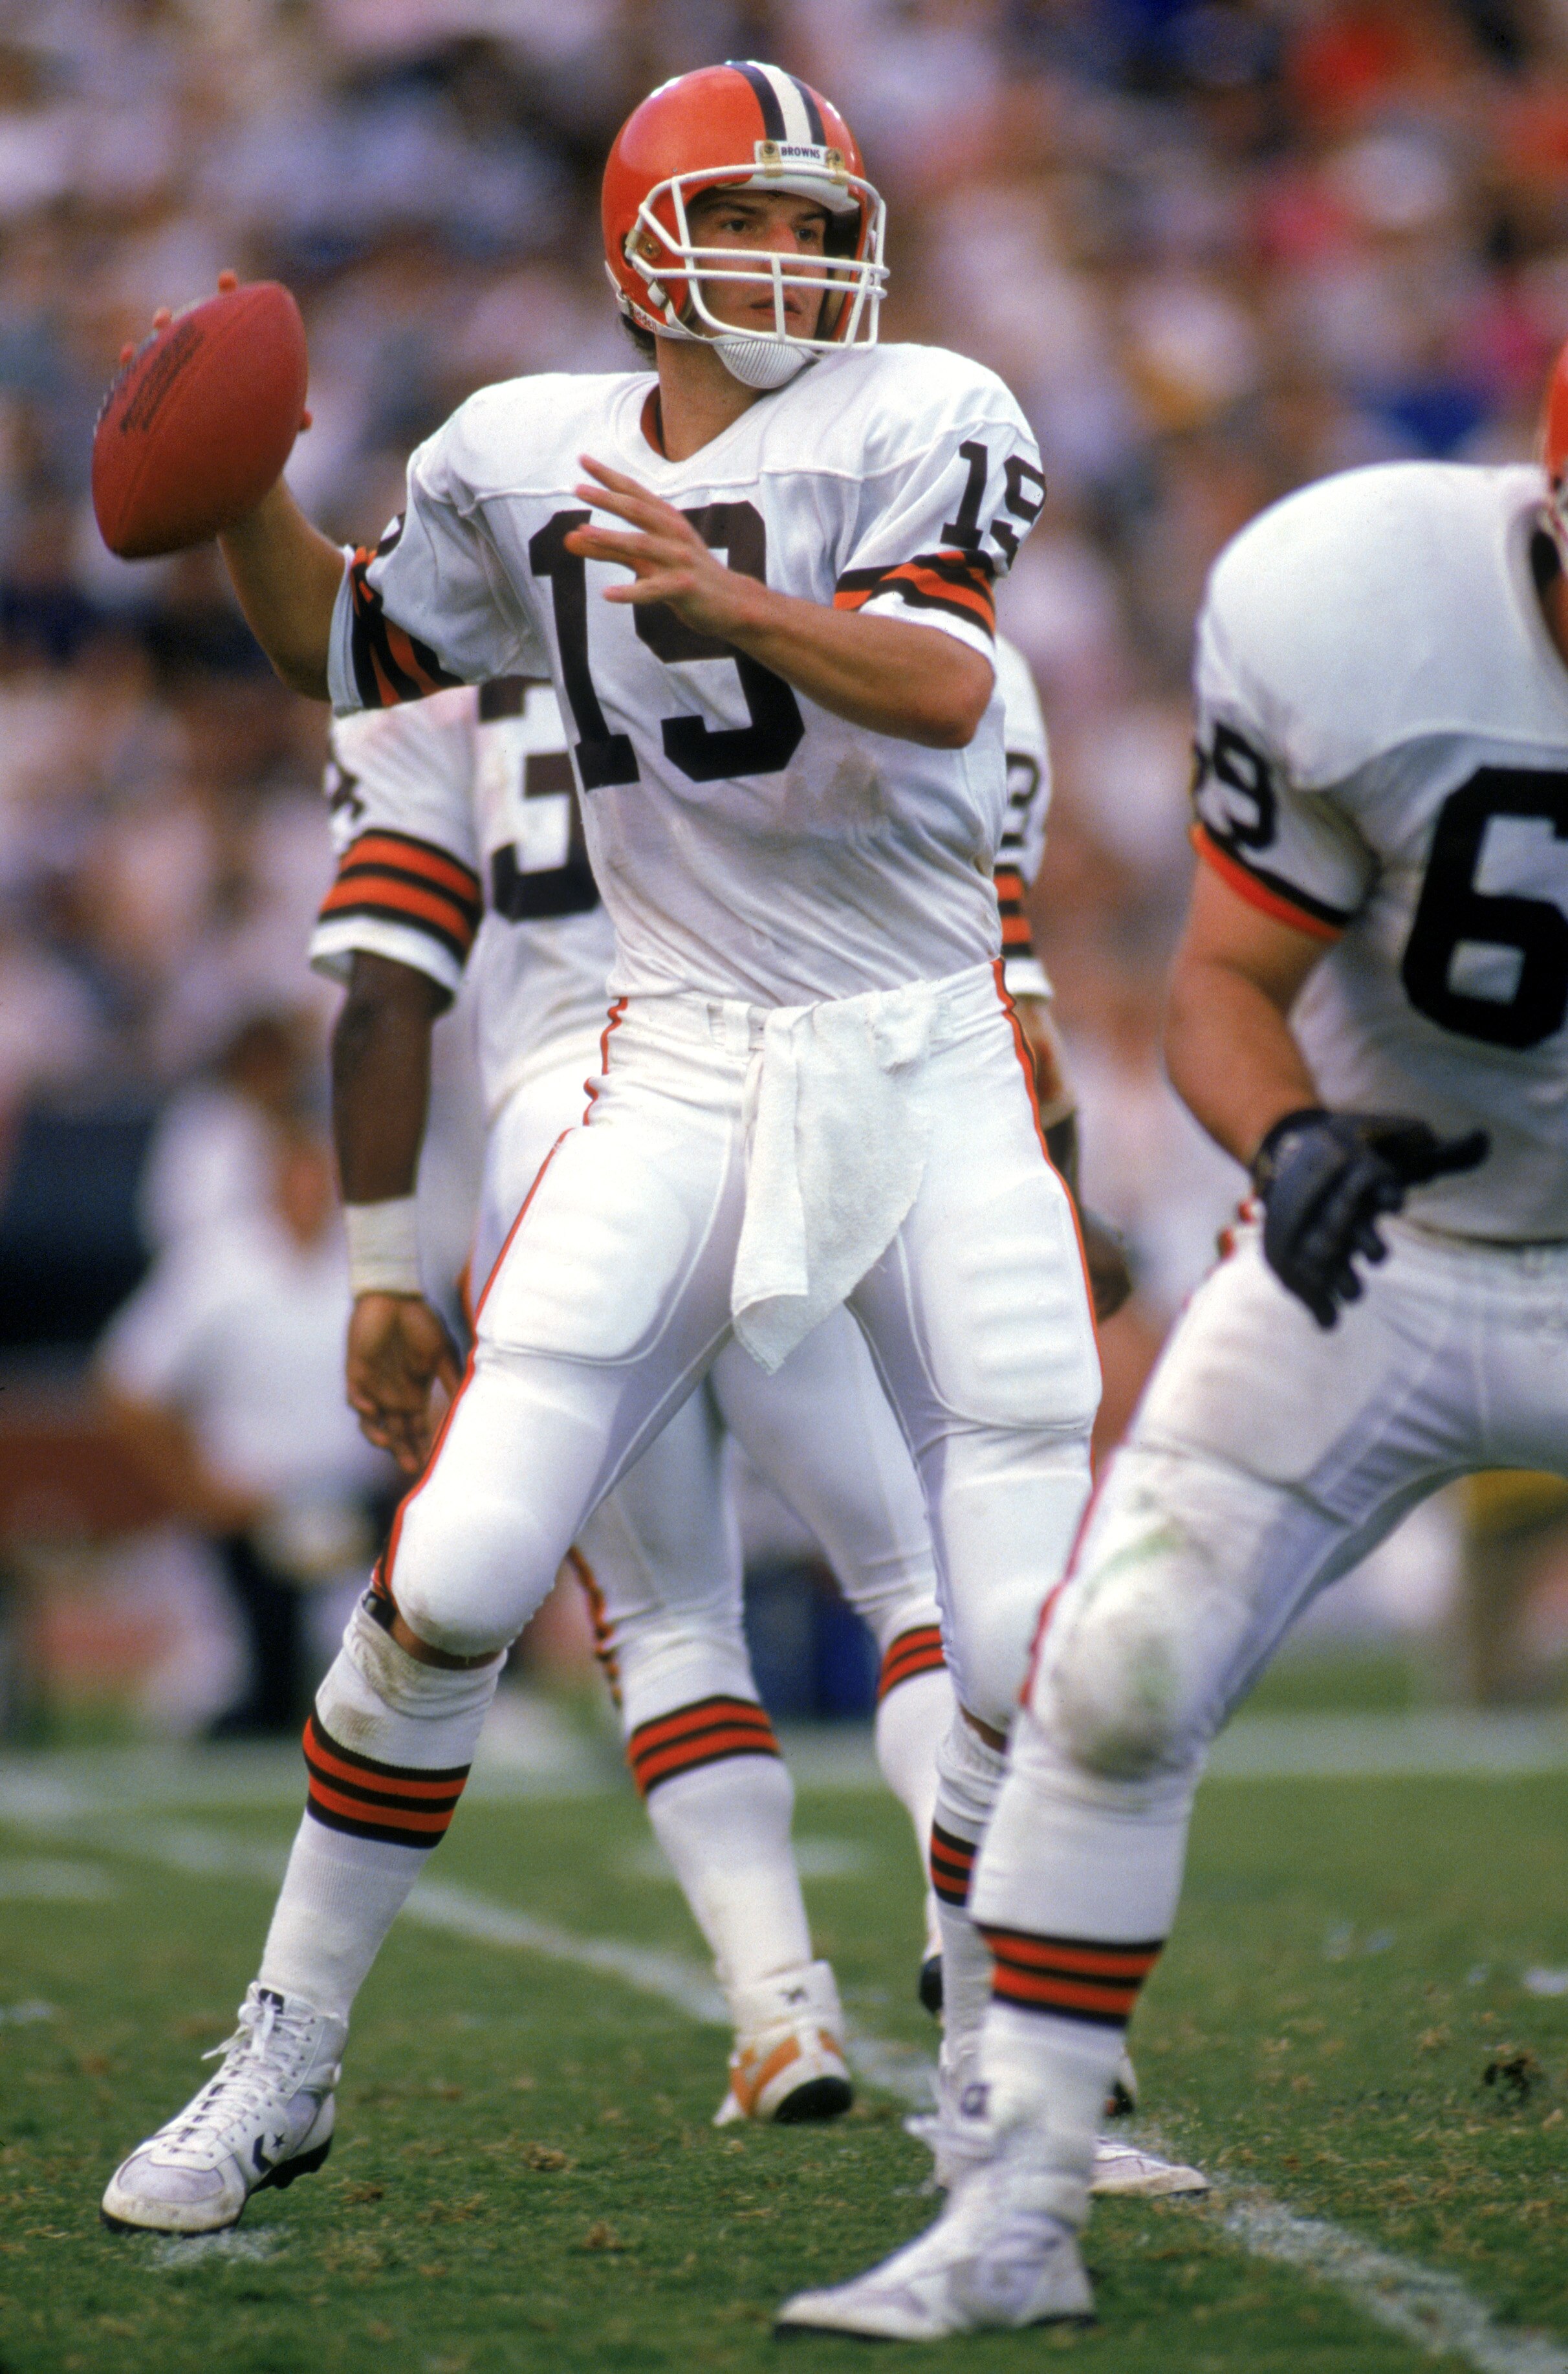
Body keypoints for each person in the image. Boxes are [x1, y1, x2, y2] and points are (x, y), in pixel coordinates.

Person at [102, 60, 1102, 2237]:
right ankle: (280, 2050)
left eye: (832, 224)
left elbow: (938, 684)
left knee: (993, 1591)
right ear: (643, 236)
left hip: (905, 1049)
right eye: (759, 214)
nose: (809, 260)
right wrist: (251, 479)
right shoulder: (501, 451)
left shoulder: (922, 408)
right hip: (653, 1056)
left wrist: (731, 602)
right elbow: (342, 646)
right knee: (461, 1567)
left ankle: (1010, 2060)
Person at [774, 360, 1568, 2336]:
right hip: (1391, 1243)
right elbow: (1225, 980)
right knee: (1111, 1671)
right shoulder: (1361, 604)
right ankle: (1017, 2207)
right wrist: (1287, 1136)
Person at [311, 637, 1133, 2131]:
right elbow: (1004, 1010)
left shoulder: (455, 671)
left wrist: (381, 1271)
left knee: (663, 1613)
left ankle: (775, 2007)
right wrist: (1051, 1211)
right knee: (916, 1583)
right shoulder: (918, 649)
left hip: (562, 1144)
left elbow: (383, 997)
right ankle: (996, 1975)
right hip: (784, 1111)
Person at [99, 1126, 392, 1737]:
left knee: (384, 1689)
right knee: (242, 1693)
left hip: (365, 1513)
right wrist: (196, 1488)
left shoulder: (378, 1266)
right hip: (251, 1518)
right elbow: (127, 1383)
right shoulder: (216, 1269)